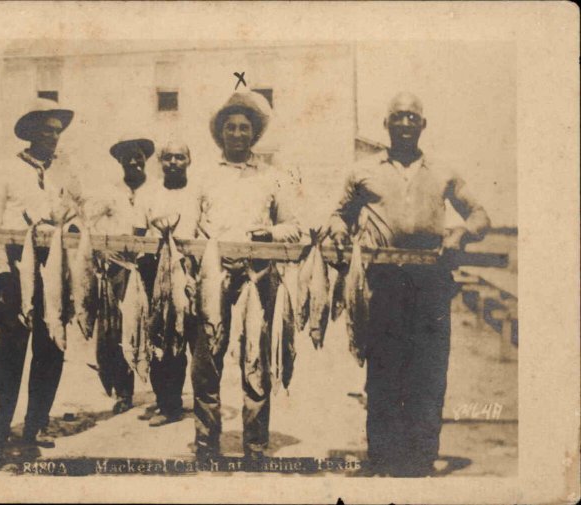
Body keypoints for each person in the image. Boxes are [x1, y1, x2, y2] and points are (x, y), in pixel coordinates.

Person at [326, 92, 491, 477]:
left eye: (411, 117)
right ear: (386, 124)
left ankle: (419, 460)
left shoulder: (444, 171)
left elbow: (481, 214)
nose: (404, 124)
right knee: (383, 371)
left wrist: (461, 235)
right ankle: (382, 458)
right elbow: (339, 216)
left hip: (431, 282)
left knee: (428, 372)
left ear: (422, 125)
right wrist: (337, 231)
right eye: (397, 117)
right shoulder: (362, 171)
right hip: (382, 282)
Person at [191, 91, 302, 461]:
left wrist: (269, 234)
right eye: (231, 128)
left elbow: (293, 225)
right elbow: (192, 228)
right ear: (221, 134)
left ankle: (255, 446)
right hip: (213, 276)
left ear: (254, 135)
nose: (238, 134)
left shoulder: (275, 177)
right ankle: (207, 445)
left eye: (244, 128)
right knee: (207, 360)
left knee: (255, 358)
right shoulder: (203, 177)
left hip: (259, 277)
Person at [0, 98, 79, 459]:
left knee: (51, 349)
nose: (53, 137)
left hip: (54, 268)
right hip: (15, 267)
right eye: (46, 130)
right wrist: (2, 274)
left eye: (57, 131)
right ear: (30, 131)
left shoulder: (65, 170)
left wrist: (71, 223)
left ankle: (34, 427)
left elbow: (83, 209)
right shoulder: (4, 169)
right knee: (9, 353)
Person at [85, 135, 156, 415]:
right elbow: (89, 221)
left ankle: (162, 393)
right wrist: (104, 251)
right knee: (117, 328)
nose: (134, 161)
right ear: (119, 162)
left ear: (145, 159)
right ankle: (123, 392)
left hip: (149, 267)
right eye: (127, 157)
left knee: (151, 324)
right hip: (118, 268)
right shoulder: (108, 191)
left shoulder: (157, 189)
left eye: (138, 156)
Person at [136, 140, 201, 427]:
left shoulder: (199, 192)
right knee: (159, 336)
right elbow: (138, 233)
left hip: (191, 269)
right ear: (160, 162)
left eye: (180, 157)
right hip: (156, 269)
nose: (174, 162)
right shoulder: (147, 194)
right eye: (168, 157)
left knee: (192, 337)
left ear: (189, 160)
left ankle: (198, 403)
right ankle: (167, 403)